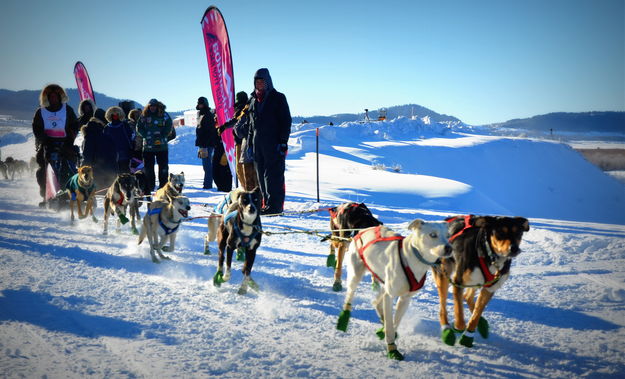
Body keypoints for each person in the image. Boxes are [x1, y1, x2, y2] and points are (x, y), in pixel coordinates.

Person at [246, 68, 291, 214]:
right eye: (257, 82)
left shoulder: (278, 97)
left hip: (274, 143)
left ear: (268, 82)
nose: (259, 84)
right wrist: (249, 144)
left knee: (273, 177)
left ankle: (275, 207)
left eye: (262, 81)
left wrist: (283, 141)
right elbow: (251, 124)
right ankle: (266, 204)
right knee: (260, 176)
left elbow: (286, 121)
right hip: (258, 145)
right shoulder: (252, 99)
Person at [32, 84, 80, 205]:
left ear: (60, 97)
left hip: (66, 145)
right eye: (51, 96)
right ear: (47, 98)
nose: (53, 98)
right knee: (45, 172)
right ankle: (47, 197)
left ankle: (67, 196)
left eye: (55, 96)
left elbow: (75, 125)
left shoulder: (67, 109)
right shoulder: (41, 111)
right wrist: (44, 140)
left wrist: (70, 140)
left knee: (68, 170)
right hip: (47, 146)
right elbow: (37, 128)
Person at [219, 91, 259, 191]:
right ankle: (248, 188)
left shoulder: (244, 109)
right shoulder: (245, 108)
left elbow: (236, 121)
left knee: (242, 168)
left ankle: (247, 189)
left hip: (242, 142)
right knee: (244, 168)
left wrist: (225, 126)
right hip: (242, 142)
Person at [136, 98, 173, 191]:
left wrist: (164, 134)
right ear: (148, 107)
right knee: (148, 169)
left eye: (154, 106)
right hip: (148, 148)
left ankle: (163, 186)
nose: (152, 108)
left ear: (157, 106)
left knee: (163, 168)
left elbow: (169, 124)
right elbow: (138, 127)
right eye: (151, 106)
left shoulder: (164, 114)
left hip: (162, 147)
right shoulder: (144, 115)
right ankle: (150, 186)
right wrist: (145, 135)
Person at [81, 108, 116, 189]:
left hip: (96, 174)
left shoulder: (89, 137)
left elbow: (87, 156)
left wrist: (82, 171)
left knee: (97, 196)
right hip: (110, 173)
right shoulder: (108, 137)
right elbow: (114, 155)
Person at [195, 97, 219, 189]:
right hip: (202, 143)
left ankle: (208, 185)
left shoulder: (208, 114)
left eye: (201, 103)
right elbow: (199, 130)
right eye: (199, 103)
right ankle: (207, 184)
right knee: (205, 165)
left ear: (205, 104)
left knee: (207, 165)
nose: (200, 105)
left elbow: (209, 131)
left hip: (207, 143)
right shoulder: (199, 113)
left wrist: (204, 145)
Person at [103, 106, 134, 174]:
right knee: (114, 174)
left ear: (120, 115)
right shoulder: (107, 128)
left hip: (124, 153)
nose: (115, 116)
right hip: (112, 154)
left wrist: (131, 149)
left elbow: (130, 137)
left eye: (117, 114)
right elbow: (104, 142)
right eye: (113, 115)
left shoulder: (124, 125)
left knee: (125, 172)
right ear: (109, 115)